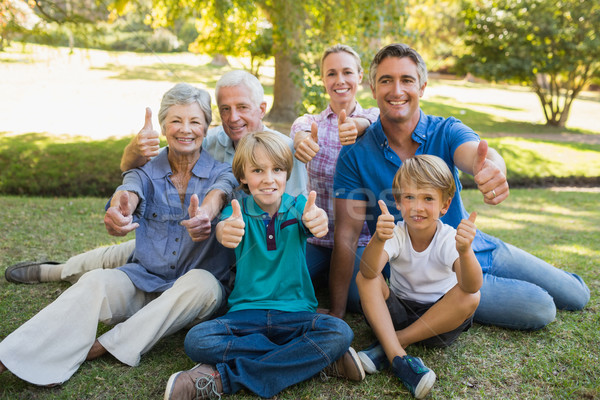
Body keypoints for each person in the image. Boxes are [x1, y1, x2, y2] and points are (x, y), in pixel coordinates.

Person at [332, 43, 590, 330]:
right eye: (386, 80)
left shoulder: (446, 130)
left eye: (407, 80)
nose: (396, 90)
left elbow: (478, 156)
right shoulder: (354, 154)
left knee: (577, 296)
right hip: (434, 276)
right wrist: (337, 310)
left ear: (423, 86)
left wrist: (493, 168)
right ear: (372, 87)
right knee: (539, 308)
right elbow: (347, 234)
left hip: (475, 246)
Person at [0, 83, 237, 386]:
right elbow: (128, 192)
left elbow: (218, 195)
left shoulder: (222, 171)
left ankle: (103, 346)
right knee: (95, 280)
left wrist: (205, 213)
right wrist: (119, 210)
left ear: (207, 126)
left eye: (194, 121)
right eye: (176, 121)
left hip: (193, 296)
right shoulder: (145, 170)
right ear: (163, 126)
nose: (185, 129)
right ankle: (7, 357)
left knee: (202, 282)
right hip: (143, 279)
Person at [5, 70, 307, 285]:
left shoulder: (284, 151)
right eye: (225, 109)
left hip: (232, 253)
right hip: (190, 242)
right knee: (123, 253)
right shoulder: (210, 138)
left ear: (262, 108)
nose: (233, 118)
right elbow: (144, 166)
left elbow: (291, 220)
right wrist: (135, 148)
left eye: (242, 108)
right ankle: (55, 272)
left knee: (132, 256)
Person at [164, 131, 364, 399]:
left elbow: (314, 219)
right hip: (245, 315)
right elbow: (225, 229)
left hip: (296, 314)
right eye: (258, 170)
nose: (269, 179)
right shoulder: (237, 210)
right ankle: (311, 359)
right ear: (244, 177)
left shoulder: (300, 206)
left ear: (286, 174)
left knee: (339, 332)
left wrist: (317, 220)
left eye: (277, 170)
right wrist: (226, 230)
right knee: (197, 340)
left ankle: (223, 379)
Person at [357, 155, 482, 399]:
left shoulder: (447, 238)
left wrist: (465, 251)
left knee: (471, 296)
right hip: (398, 313)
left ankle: (391, 345)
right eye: (409, 197)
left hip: (439, 322)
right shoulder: (397, 233)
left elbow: (471, 285)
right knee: (365, 279)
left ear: (444, 205)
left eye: (428, 198)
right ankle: (398, 357)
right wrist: (378, 239)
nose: (417, 207)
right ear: (398, 202)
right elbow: (369, 273)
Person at [290, 44, 379, 314]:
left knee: (355, 300)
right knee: (284, 280)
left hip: (359, 240)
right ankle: (320, 279)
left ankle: (333, 283)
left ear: (360, 76)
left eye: (347, 72)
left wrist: (356, 126)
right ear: (323, 80)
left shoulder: (375, 118)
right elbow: (300, 133)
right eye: (331, 73)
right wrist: (303, 142)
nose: (339, 80)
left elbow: (368, 122)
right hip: (316, 238)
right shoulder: (310, 122)